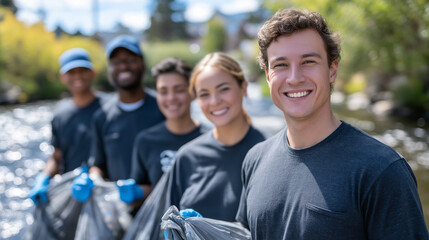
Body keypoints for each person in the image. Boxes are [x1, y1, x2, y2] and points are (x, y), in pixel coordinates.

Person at [235, 9, 429, 239]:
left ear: (332, 70)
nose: (295, 77)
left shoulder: (382, 170)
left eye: (308, 61)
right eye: (281, 65)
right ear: (268, 75)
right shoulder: (255, 160)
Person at [167, 52, 266, 222]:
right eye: (204, 94)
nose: (214, 101)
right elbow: (169, 223)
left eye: (224, 89)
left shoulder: (268, 154)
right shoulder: (186, 157)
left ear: (243, 87)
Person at [71, 35, 165, 203]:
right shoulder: (102, 117)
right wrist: (92, 179)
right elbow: (98, 164)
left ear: (142, 64)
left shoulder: (163, 108)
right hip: (119, 211)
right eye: (116, 62)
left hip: (161, 209)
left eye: (129, 60)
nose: (123, 66)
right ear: (110, 69)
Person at [116, 58, 210, 205]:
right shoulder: (146, 141)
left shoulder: (211, 138)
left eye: (179, 90)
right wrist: (135, 193)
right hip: (160, 227)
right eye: (163, 91)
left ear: (193, 92)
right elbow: (144, 191)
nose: (171, 98)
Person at [29, 48, 106, 205]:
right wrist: (44, 177)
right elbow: (57, 157)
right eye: (72, 72)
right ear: (62, 77)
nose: (78, 76)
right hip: (72, 195)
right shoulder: (60, 115)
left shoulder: (110, 108)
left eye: (82, 70)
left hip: (105, 192)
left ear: (93, 72)